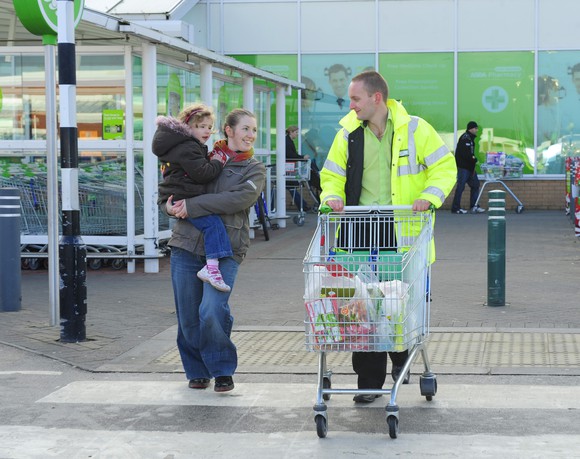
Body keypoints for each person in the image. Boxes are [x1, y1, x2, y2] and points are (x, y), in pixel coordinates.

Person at [319, 70, 456, 403]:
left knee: (398, 306)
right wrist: (330, 199)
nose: (351, 105)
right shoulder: (348, 133)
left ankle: (401, 359)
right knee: (361, 306)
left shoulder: (415, 129)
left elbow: (444, 167)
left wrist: (430, 197)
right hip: (358, 230)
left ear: (375, 98)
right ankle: (368, 383)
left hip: (403, 233)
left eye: (356, 99)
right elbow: (332, 176)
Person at [162, 109, 266, 393]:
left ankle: (221, 368)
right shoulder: (200, 158)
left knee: (212, 308)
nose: (250, 135)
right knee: (188, 313)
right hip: (186, 243)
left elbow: (238, 199)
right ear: (228, 130)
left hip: (227, 249)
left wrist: (193, 206)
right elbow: (173, 186)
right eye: (245, 129)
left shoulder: (254, 168)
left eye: (254, 130)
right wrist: (168, 206)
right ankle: (196, 370)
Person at [152, 104, 233, 292]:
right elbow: (202, 174)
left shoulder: (186, 145)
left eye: (209, 126)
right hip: (185, 197)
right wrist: (217, 162)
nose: (207, 131)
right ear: (188, 127)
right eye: (201, 126)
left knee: (211, 224)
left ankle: (211, 266)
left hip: (182, 195)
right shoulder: (188, 147)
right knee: (213, 225)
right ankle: (211, 268)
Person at [451, 121, 485, 214]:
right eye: (476, 128)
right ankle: (456, 208)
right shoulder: (465, 138)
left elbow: (470, 154)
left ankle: (474, 206)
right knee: (460, 187)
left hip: (470, 168)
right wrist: (474, 159)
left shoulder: (471, 139)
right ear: (471, 129)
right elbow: (465, 154)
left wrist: (473, 160)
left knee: (475, 185)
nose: (477, 130)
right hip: (464, 168)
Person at [285, 125, 313, 212]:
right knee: (291, 187)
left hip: (289, 168)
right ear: (291, 132)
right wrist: (302, 157)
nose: (297, 134)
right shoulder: (287, 142)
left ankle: (303, 206)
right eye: (296, 132)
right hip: (288, 168)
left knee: (289, 187)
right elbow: (290, 155)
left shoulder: (288, 141)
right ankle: (303, 206)